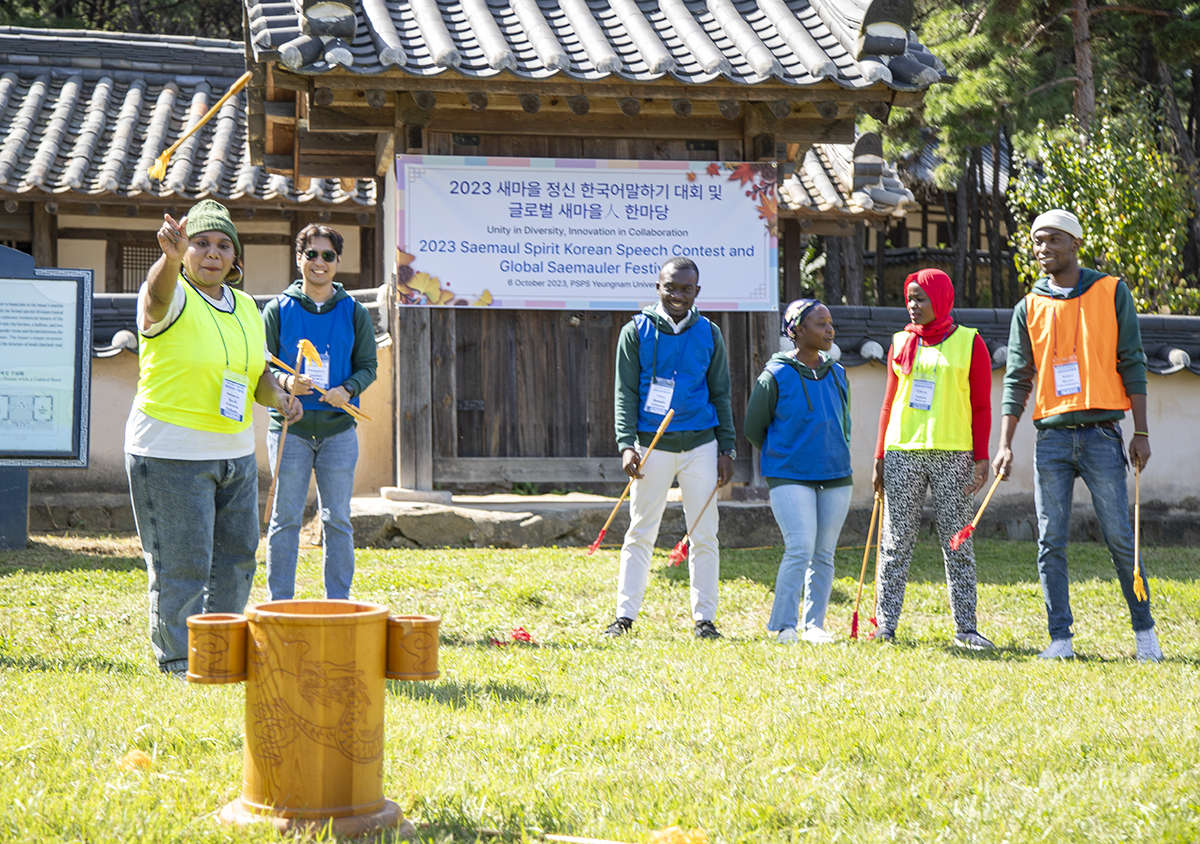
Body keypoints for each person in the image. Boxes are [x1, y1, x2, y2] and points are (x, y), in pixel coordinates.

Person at [125, 200, 302, 676]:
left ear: (235, 257)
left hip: (235, 454)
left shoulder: (246, 306)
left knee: (237, 557)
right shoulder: (173, 294)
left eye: (223, 245)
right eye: (201, 243)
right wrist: (169, 259)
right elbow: (155, 297)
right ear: (184, 251)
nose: (211, 253)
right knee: (183, 564)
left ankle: (221, 652)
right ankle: (181, 661)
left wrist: (281, 393)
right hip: (170, 452)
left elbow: (255, 375)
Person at [993, 209, 1161, 662]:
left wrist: (1140, 432)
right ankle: (1060, 639)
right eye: (1036, 242)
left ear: (1074, 244)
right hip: (1049, 439)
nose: (1042, 249)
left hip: (1102, 435)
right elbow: (1017, 378)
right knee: (1051, 541)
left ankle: (1145, 632)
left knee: (1121, 537)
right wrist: (1005, 442)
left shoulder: (1112, 290)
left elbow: (1133, 360)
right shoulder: (1027, 307)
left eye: (1051, 240)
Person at [602, 257, 736, 640]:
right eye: (670, 287)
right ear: (657, 287)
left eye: (686, 289)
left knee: (704, 533)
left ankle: (704, 620)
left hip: (701, 445)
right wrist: (627, 445)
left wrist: (726, 448)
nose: (677, 295)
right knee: (641, 530)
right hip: (651, 447)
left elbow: (721, 392)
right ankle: (624, 617)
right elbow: (624, 392)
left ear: (697, 291)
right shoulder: (636, 330)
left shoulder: (710, 332)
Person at [871, 268, 995, 650]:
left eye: (920, 298)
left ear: (940, 299)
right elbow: (889, 403)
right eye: (908, 298)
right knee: (895, 541)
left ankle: (966, 629)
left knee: (956, 542)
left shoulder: (970, 343)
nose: (912, 305)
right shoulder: (899, 342)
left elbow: (981, 405)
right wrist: (879, 455)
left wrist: (982, 456)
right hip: (902, 453)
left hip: (954, 453)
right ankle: (885, 626)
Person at [261, 225, 377, 601]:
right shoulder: (277, 309)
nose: (319, 262)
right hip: (289, 430)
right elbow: (261, 365)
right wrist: (284, 381)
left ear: (338, 262)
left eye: (328, 255)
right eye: (311, 254)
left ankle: (339, 601)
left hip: (339, 431)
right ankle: (280, 603)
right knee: (285, 520)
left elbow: (367, 366)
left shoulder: (354, 312)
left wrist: (347, 389)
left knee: (338, 520)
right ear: (299, 259)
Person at [744, 299, 852, 645]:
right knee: (800, 547)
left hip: (836, 472)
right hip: (789, 474)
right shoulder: (774, 375)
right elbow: (753, 428)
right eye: (821, 324)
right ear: (797, 331)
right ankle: (783, 626)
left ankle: (814, 625)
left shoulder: (838, 373)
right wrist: (786, 454)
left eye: (830, 323)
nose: (829, 330)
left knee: (824, 553)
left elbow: (845, 421)